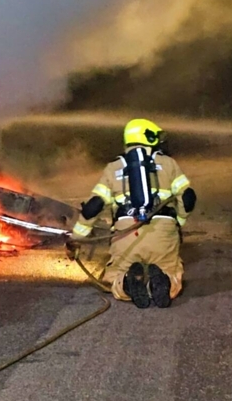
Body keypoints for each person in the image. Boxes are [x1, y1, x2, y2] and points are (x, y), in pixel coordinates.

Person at [66, 118, 197, 308]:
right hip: (163, 234)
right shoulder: (168, 164)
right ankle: (162, 282)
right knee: (172, 274)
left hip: (125, 234)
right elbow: (188, 198)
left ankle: (127, 283)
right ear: (149, 137)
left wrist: (76, 238)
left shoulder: (113, 168)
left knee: (114, 277)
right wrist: (178, 223)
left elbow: (93, 206)